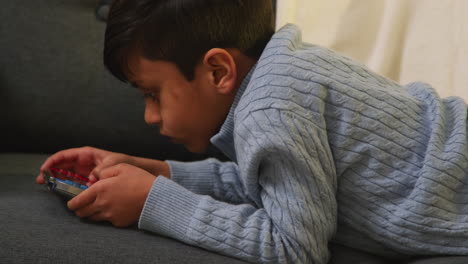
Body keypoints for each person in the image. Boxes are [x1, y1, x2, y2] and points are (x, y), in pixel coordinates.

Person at [36, 0, 468, 263]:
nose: (150, 116)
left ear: (218, 70)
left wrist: (154, 201)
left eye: (152, 94)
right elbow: (273, 186)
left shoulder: (270, 108)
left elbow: (293, 248)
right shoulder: (284, 74)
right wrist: (158, 172)